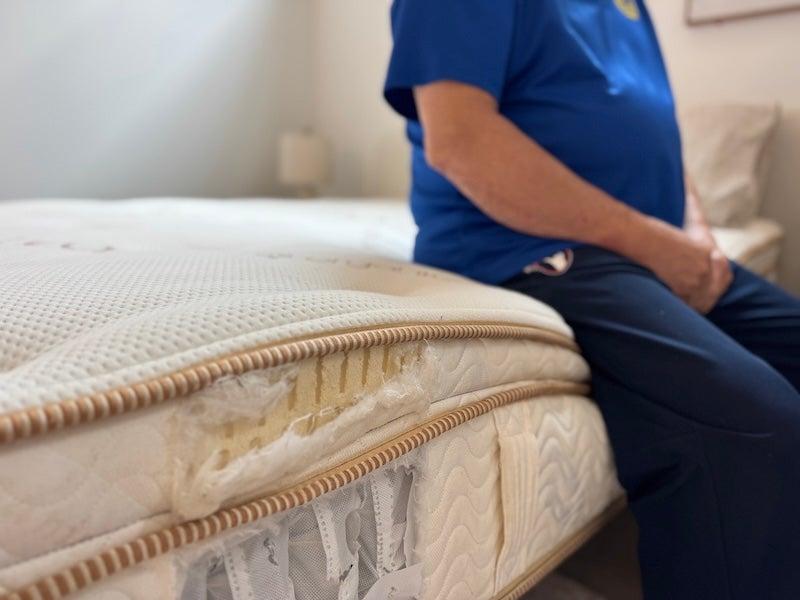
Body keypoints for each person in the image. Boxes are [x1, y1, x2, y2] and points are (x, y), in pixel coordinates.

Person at [383, 1, 800, 598]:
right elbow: (461, 140)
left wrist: (696, 238)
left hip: (650, 250)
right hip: (526, 248)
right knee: (755, 426)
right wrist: (653, 244)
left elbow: (663, 140)